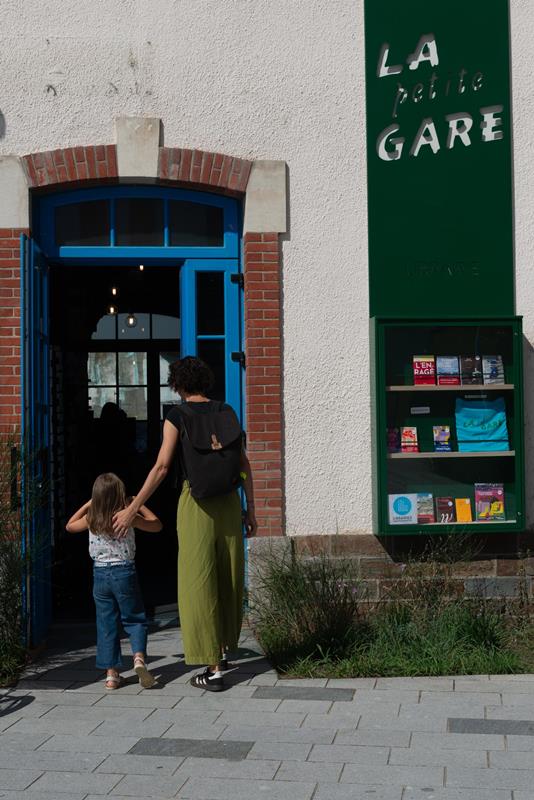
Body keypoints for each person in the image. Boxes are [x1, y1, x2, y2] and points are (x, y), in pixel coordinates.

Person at [112, 356, 257, 692]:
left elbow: (162, 467)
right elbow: (244, 463)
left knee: (199, 581)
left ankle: (214, 669)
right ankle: (222, 651)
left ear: (177, 384)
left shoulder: (176, 416)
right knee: (228, 576)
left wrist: (133, 506)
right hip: (229, 502)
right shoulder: (227, 411)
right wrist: (251, 511)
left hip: (196, 504)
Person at [66, 472, 162, 690]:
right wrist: (137, 503)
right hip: (124, 572)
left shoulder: (92, 518)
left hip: (100, 574)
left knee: (106, 623)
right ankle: (138, 659)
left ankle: (112, 676)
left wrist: (89, 504)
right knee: (135, 618)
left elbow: (70, 526)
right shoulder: (128, 517)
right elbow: (157, 525)